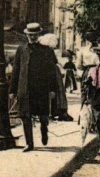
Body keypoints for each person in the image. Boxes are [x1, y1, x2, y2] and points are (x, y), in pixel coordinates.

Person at [9, 22, 61, 152]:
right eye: (30, 35)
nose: (32, 37)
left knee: (43, 115)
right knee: (25, 115)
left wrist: (52, 89)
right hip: (24, 89)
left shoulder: (46, 50)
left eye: (35, 35)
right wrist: (12, 90)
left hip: (41, 88)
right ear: (26, 35)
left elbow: (51, 72)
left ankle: (44, 129)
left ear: (39, 35)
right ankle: (29, 144)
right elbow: (16, 71)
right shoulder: (21, 50)